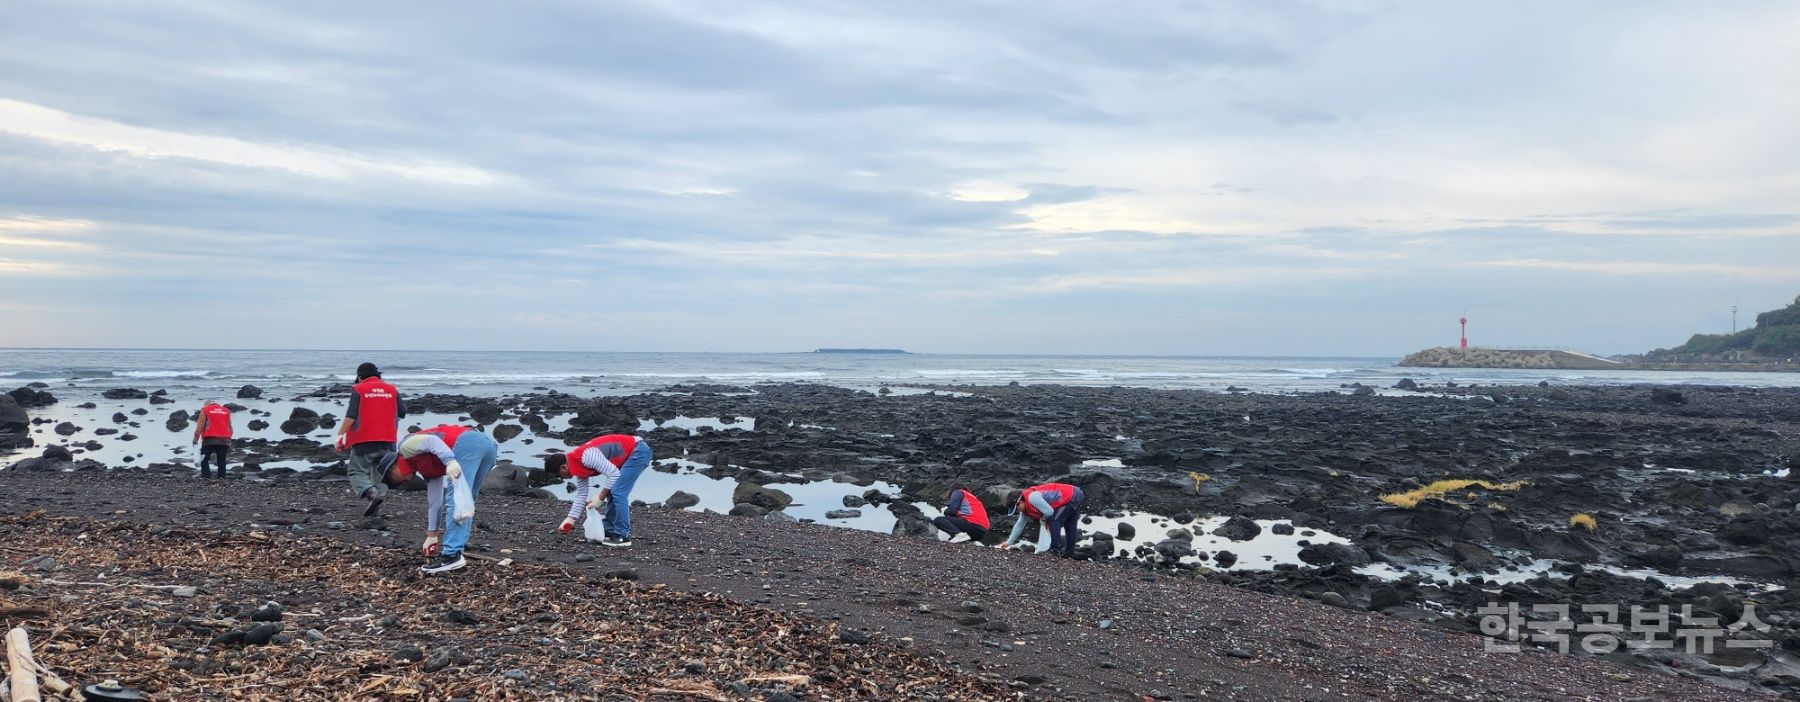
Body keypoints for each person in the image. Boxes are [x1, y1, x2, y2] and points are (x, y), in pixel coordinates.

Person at [377, 424, 499, 574]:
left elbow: (432, 442)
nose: (400, 483)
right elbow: (434, 504)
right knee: (465, 501)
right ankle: (456, 550)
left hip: (467, 443)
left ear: (392, 468)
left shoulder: (405, 446)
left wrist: (449, 461)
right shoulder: (426, 467)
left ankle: (451, 555)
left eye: (393, 480)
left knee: (455, 498)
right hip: (487, 446)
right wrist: (432, 536)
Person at [336, 362, 407, 516]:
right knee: (380, 473)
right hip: (388, 439)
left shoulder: (358, 389)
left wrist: (340, 435)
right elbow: (402, 412)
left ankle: (370, 493)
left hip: (364, 439)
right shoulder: (391, 389)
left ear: (360, 377)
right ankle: (376, 501)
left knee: (356, 471)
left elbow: (351, 415)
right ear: (377, 375)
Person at [556, 433, 652, 547]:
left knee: (618, 491)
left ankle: (623, 535)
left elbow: (614, 475)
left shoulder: (587, 457)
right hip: (631, 453)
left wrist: (600, 497)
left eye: (559, 474)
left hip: (638, 450)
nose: (561, 477)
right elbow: (581, 494)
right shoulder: (578, 465)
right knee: (612, 490)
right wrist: (570, 520)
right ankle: (610, 529)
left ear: (563, 467)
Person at [997, 482, 1085, 557]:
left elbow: (1049, 512)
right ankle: (1069, 554)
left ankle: (1054, 551)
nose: (1018, 510)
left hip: (1070, 495)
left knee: (1054, 521)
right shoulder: (1025, 508)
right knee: (1070, 526)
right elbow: (1019, 524)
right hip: (1076, 494)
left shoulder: (1032, 498)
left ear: (1020, 502)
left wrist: (1043, 519)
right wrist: (1009, 542)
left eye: (1016, 508)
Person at [190, 400, 233, 478]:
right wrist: (229, 439)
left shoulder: (206, 410)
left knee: (204, 459)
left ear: (206, 405)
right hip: (224, 439)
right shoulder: (226, 411)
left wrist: (196, 438)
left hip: (209, 438)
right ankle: (221, 478)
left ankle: (206, 477)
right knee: (221, 460)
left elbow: (200, 426)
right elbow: (229, 426)